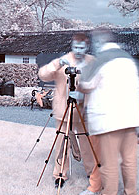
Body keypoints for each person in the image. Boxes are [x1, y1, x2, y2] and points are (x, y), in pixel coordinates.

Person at [74, 29, 139, 195]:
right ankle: (130, 192)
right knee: (129, 162)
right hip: (131, 118)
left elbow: (86, 85)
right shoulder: (129, 59)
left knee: (109, 164)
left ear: (99, 43)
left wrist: (79, 81)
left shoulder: (100, 60)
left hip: (109, 120)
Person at [36, 32, 97, 188]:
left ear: (87, 47)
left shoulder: (92, 62)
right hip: (63, 110)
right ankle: (60, 174)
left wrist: (84, 92)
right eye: (75, 47)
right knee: (62, 143)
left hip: (84, 111)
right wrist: (56, 65)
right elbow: (42, 75)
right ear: (72, 46)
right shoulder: (62, 61)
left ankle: (92, 173)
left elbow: (100, 82)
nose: (78, 50)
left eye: (81, 47)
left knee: (87, 143)